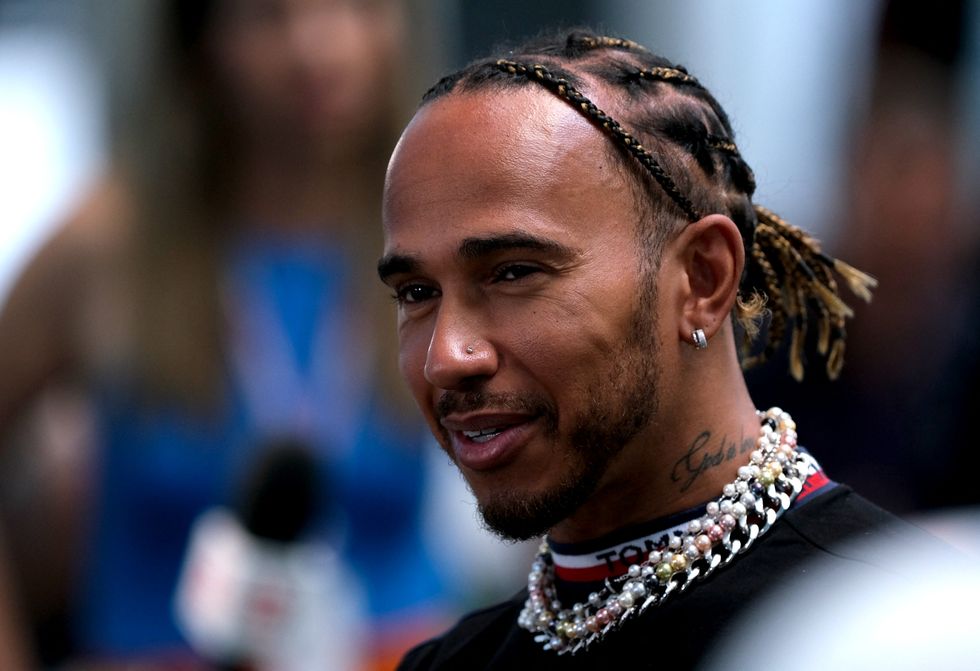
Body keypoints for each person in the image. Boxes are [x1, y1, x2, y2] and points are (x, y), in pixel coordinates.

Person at [377, 29, 933, 669]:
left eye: (514, 272)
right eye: (416, 291)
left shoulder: (900, 629)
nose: (447, 356)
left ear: (702, 279)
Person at [0, 0, 450, 667]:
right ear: (199, 38)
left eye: (356, 4)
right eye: (268, 14)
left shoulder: (440, 231)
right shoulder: (112, 244)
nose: (317, 46)